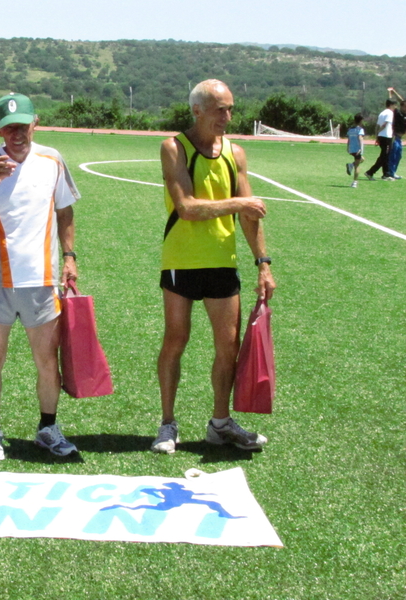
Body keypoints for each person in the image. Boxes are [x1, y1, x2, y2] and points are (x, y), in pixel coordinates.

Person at [153, 79, 276, 454]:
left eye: (230, 108)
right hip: (182, 261)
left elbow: (251, 216)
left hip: (224, 262)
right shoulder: (174, 148)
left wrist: (263, 264)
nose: (228, 116)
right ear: (197, 110)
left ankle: (219, 424)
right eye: (220, 109)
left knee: (228, 345)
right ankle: (167, 423)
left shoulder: (235, 153)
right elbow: (187, 208)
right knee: (176, 340)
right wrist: (239, 204)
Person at [0, 93, 80, 461]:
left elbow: (65, 210)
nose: (17, 134)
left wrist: (70, 256)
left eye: (23, 125)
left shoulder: (52, 159)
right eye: (9, 127)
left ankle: (47, 428)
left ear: (35, 123)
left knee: (47, 359)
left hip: (42, 279)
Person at [364, 99, 397, 181]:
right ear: (391, 105)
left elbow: (377, 125)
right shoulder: (390, 113)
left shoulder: (382, 113)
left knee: (385, 156)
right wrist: (379, 132)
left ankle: (386, 174)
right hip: (386, 137)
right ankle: (370, 172)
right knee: (384, 156)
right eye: (394, 105)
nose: (395, 107)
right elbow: (384, 124)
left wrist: (377, 136)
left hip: (381, 136)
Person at [386, 87, 405, 179]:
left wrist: (395, 92)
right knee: (393, 154)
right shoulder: (396, 112)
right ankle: (390, 172)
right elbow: (391, 103)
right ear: (402, 106)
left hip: (400, 139)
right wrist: (390, 94)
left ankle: (393, 172)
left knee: (399, 155)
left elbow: (401, 99)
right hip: (395, 136)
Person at [345, 113, 365, 188]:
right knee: (357, 166)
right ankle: (354, 182)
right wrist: (361, 148)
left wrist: (348, 147)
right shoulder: (360, 129)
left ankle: (351, 165)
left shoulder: (350, 129)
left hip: (352, 148)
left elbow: (349, 139)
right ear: (361, 121)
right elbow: (360, 138)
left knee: (362, 159)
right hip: (357, 149)